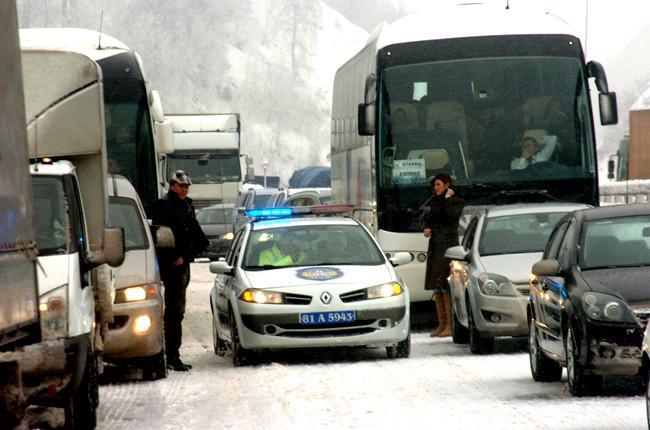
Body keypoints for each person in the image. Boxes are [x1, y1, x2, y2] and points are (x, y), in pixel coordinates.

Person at [152, 170, 209, 371]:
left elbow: (195, 235)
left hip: (182, 263)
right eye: (181, 186)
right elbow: (161, 237)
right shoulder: (166, 206)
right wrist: (175, 257)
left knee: (177, 312)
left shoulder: (186, 206)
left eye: (186, 186)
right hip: (173, 266)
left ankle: (173, 355)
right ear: (172, 186)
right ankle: (171, 356)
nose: (184, 189)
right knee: (174, 312)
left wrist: (189, 254)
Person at [423, 173, 465, 337]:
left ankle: (450, 325)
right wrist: (426, 227)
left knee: (445, 284)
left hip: (447, 247)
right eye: (434, 185)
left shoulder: (455, 201)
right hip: (435, 245)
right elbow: (430, 218)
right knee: (437, 285)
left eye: (439, 185)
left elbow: (451, 216)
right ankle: (442, 324)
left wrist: (448, 199)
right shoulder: (434, 202)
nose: (436, 188)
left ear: (447, 185)